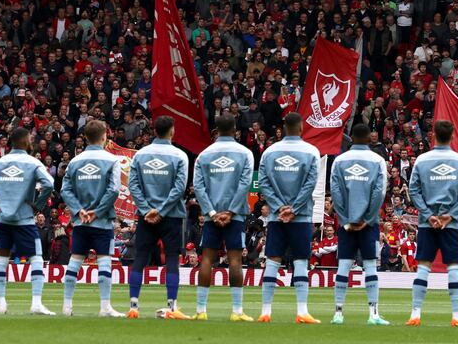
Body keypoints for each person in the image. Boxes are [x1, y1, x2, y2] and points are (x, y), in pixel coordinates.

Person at [0, 127, 55, 315]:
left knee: (2, 261)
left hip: (3, 220)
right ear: (26, 141)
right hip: (25, 220)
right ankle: (36, 302)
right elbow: (49, 184)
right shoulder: (33, 163)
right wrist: (37, 205)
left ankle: (1, 303)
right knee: (36, 258)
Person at [405, 119, 458, 327]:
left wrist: (428, 215)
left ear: (433, 135)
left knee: (423, 267)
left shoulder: (421, 160)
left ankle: (415, 314)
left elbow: (414, 190)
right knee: (453, 266)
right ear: (453, 135)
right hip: (451, 224)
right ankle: (456, 316)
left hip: (428, 223)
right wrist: (450, 215)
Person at [256, 112, 321, 324]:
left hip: (276, 217)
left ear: (284, 128)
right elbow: (310, 184)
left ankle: (266, 311)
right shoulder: (311, 151)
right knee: (301, 260)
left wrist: (279, 207)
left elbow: (263, 183)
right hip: (300, 217)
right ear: (301, 127)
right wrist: (293, 209)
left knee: (272, 259)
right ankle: (302, 311)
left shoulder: (269, 152)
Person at [192, 113, 256, 322]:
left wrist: (211, 213)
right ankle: (237, 311)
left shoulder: (204, 155)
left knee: (207, 259)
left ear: (216, 130)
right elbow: (244, 184)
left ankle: (201, 310)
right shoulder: (245, 153)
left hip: (212, 216)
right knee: (235, 259)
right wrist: (230, 211)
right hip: (235, 215)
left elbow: (198, 187)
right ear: (235, 129)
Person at [126, 116, 190, 320]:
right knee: (172, 258)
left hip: (146, 216)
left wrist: (147, 210)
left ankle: (133, 306)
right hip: (171, 215)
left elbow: (133, 185)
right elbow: (179, 188)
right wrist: (161, 211)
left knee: (140, 258)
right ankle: (172, 306)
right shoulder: (180, 155)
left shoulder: (140, 155)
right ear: (172, 131)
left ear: (154, 131)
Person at [59, 119, 124, 317]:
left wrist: (79, 211)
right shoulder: (112, 160)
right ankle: (105, 307)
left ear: (85, 137)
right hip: (102, 221)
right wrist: (98, 211)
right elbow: (114, 190)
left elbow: (65, 190)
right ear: (104, 136)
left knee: (75, 261)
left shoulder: (74, 161)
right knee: (104, 261)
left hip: (81, 221)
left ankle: (67, 306)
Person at [328, 122, 389, 325]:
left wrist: (346, 219)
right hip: (369, 225)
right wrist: (368, 219)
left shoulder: (339, 160)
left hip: (346, 224)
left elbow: (335, 193)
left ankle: (338, 313)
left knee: (343, 266)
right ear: (369, 138)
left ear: (351, 138)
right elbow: (379, 193)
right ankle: (373, 314)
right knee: (370, 266)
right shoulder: (378, 160)